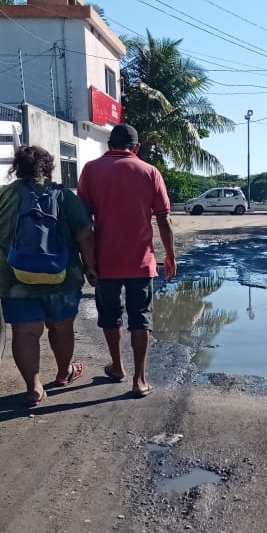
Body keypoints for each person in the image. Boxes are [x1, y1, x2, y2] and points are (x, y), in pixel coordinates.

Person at [0, 145, 97, 407]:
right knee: (62, 326)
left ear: (17, 169)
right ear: (49, 169)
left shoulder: (2, 196)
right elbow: (85, 235)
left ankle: (34, 388)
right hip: (62, 277)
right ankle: (64, 374)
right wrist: (90, 267)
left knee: (25, 332)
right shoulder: (64, 195)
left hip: (15, 280)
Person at [77, 124, 176, 398]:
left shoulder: (91, 170)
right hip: (141, 262)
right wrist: (169, 255)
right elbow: (164, 219)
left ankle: (118, 367)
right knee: (140, 318)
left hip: (104, 262)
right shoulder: (150, 171)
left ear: (109, 144)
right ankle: (140, 379)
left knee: (110, 316)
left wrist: (87, 261)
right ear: (136, 148)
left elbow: (83, 222)